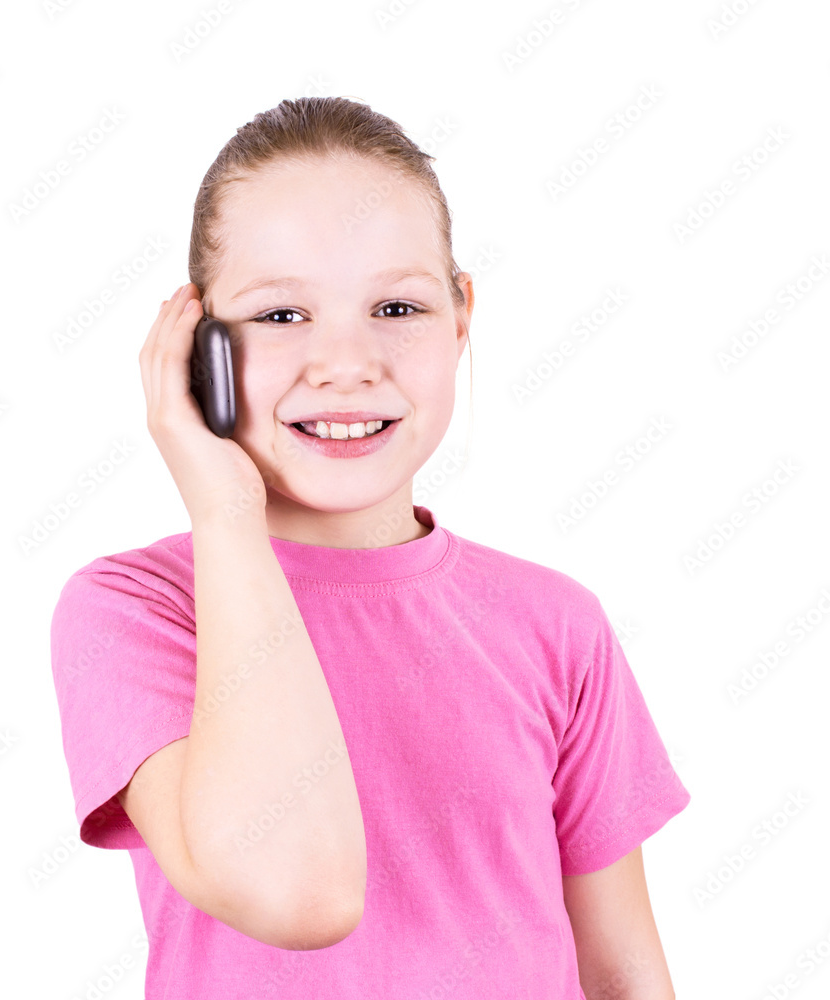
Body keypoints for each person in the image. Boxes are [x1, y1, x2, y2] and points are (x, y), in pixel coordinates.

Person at [49, 95, 690, 999]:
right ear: (197, 348)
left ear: (461, 317)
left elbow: (624, 973)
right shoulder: (136, 611)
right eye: (280, 317)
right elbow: (299, 893)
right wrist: (225, 514)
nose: (347, 362)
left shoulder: (557, 626)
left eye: (396, 305)